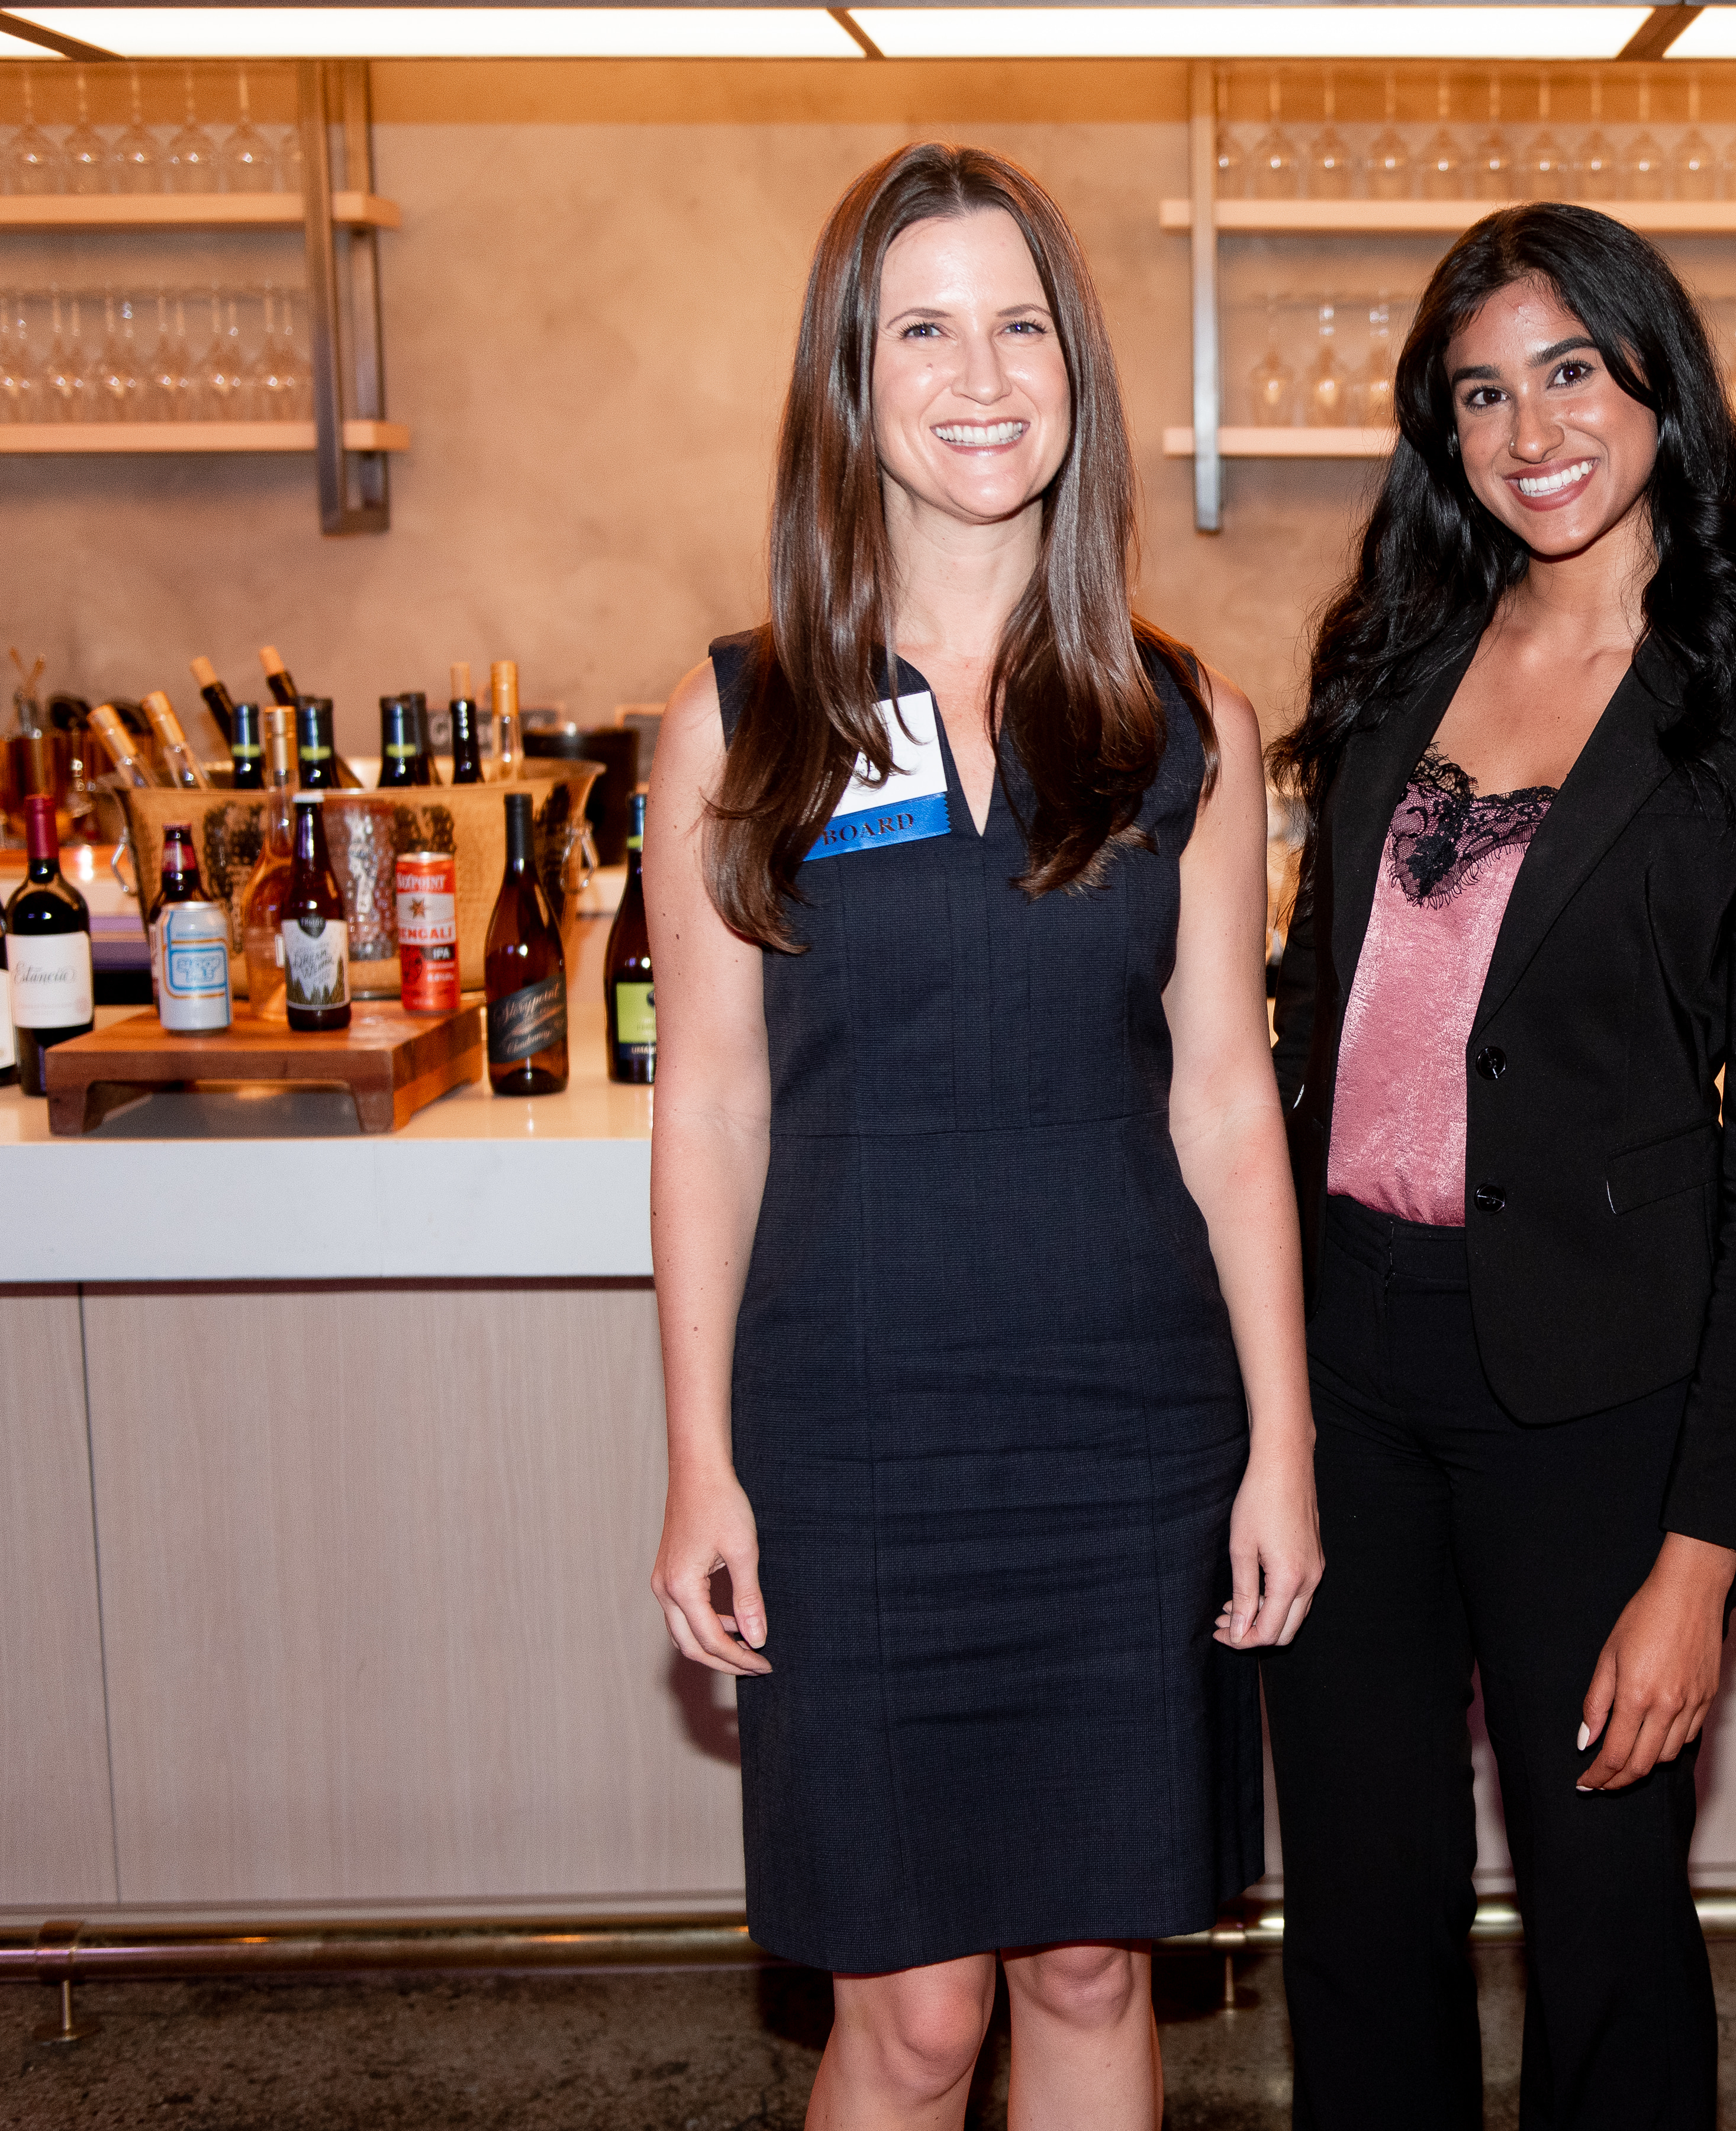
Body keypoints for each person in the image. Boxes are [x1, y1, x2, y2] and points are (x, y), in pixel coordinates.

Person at [644, 142, 1320, 2130]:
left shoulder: (1184, 719)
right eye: (921, 331)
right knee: (915, 2016)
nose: (980, 375)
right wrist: (698, 1460)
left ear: (1076, 370)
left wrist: (1283, 1446)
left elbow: (1226, 1098)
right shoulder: (741, 720)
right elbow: (712, 1104)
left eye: (1020, 325)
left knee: (1096, 1965)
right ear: (849, 382)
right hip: (853, 1433)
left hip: (1128, 1431)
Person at [1262, 201, 1736, 2130]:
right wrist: (1255, 1395)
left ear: (1658, 390)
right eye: (1480, 393)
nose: (1529, 431)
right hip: (1348, 1373)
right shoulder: (1393, 660)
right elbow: (1304, 1035)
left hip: (1598, 1401)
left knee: (1607, 1918)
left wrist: (1704, 1557)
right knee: (1358, 1913)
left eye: (1570, 374)